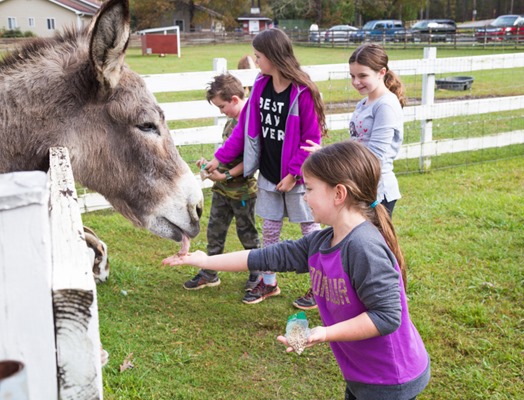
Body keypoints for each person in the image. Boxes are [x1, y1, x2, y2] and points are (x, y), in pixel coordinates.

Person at [163, 141, 430, 400]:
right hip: (363, 373)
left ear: (339, 194)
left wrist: (323, 333)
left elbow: (386, 316)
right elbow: (261, 257)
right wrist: (205, 261)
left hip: (391, 377)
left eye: (310, 188)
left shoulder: (363, 247)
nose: (304, 195)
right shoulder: (323, 241)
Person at [202, 28, 326, 306]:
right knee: (270, 232)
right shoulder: (260, 84)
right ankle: (268, 283)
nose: (256, 61)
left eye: (259, 56)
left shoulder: (301, 91)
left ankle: (321, 288)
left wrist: (294, 174)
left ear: (273, 55)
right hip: (269, 175)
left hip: (298, 178)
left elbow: (311, 139)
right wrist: (220, 158)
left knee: (311, 232)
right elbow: (244, 130)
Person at [302, 43, 406, 216]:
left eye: (362, 75)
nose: (356, 82)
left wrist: (333, 158)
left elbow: (375, 155)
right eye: (352, 76)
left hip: (377, 190)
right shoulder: (364, 103)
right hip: (360, 183)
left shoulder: (386, 105)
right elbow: (356, 144)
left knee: (372, 240)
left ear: (381, 72)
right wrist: (327, 154)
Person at [182, 73, 261, 292]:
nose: (221, 111)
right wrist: (210, 164)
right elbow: (226, 153)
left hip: (242, 192)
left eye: (222, 106)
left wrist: (226, 175)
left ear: (235, 99)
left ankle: (258, 272)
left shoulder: (251, 124)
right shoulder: (230, 123)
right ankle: (210, 272)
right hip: (222, 190)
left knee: (247, 233)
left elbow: (251, 161)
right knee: (215, 231)